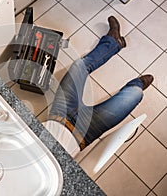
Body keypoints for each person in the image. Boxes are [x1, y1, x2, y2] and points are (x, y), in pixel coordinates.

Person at [43, 16, 154, 158]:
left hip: (59, 114)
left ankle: (113, 42)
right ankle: (136, 83)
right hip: (84, 133)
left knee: (79, 66)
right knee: (135, 94)